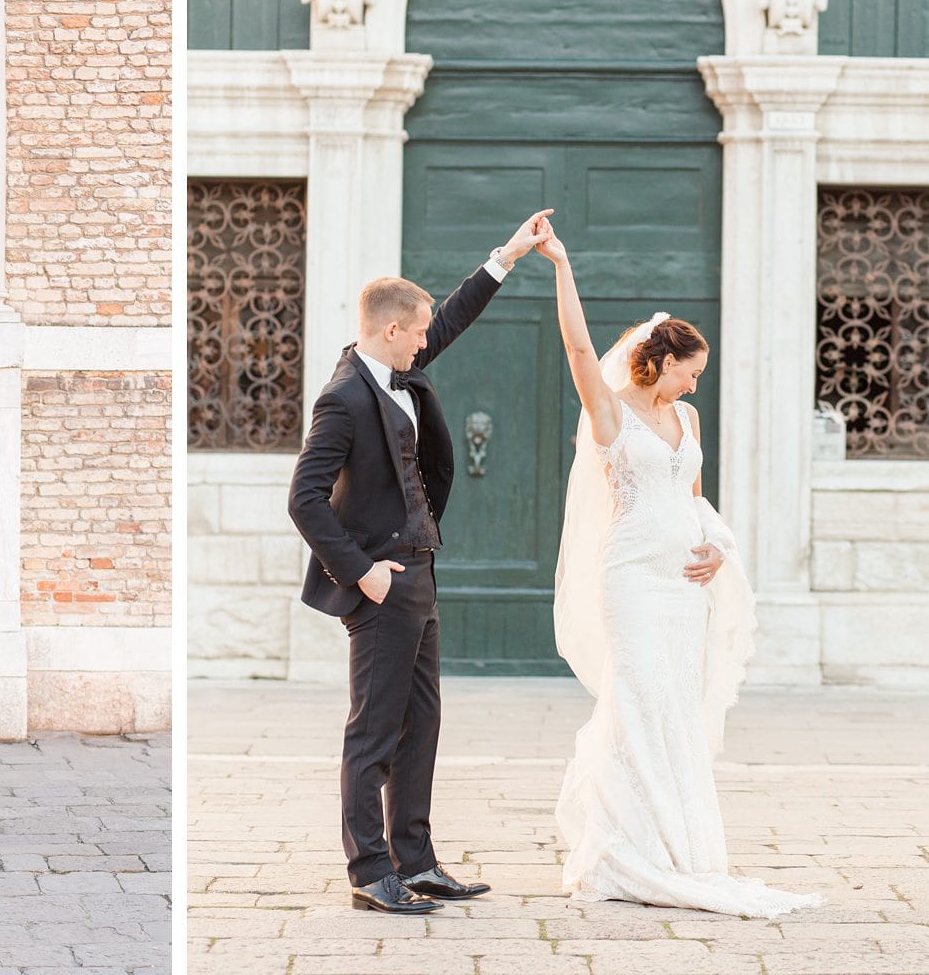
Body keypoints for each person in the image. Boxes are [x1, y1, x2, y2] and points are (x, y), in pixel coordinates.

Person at [538, 217, 822, 916]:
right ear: (664, 363)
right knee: (636, 700)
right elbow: (577, 345)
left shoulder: (686, 424)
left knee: (677, 710)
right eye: (692, 374)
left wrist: (715, 548)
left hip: (683, 588)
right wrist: (561, 266)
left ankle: (681, 850)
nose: (696, 387)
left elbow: (693, 501)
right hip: (631, 580)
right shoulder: (611, 416)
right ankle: (625, 846)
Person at [287, 209, 552, 914]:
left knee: (422, 721)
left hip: (420, 569)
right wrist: (361, 572)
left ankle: (417, 860)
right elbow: (304, 499)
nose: (429, 339)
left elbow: (456, 315)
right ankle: (369, 871)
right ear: (391, 330)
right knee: (373, 728)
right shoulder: (344, 398)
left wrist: (509, 255)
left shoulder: (400, 370)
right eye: (420, 329)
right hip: (381, 580)